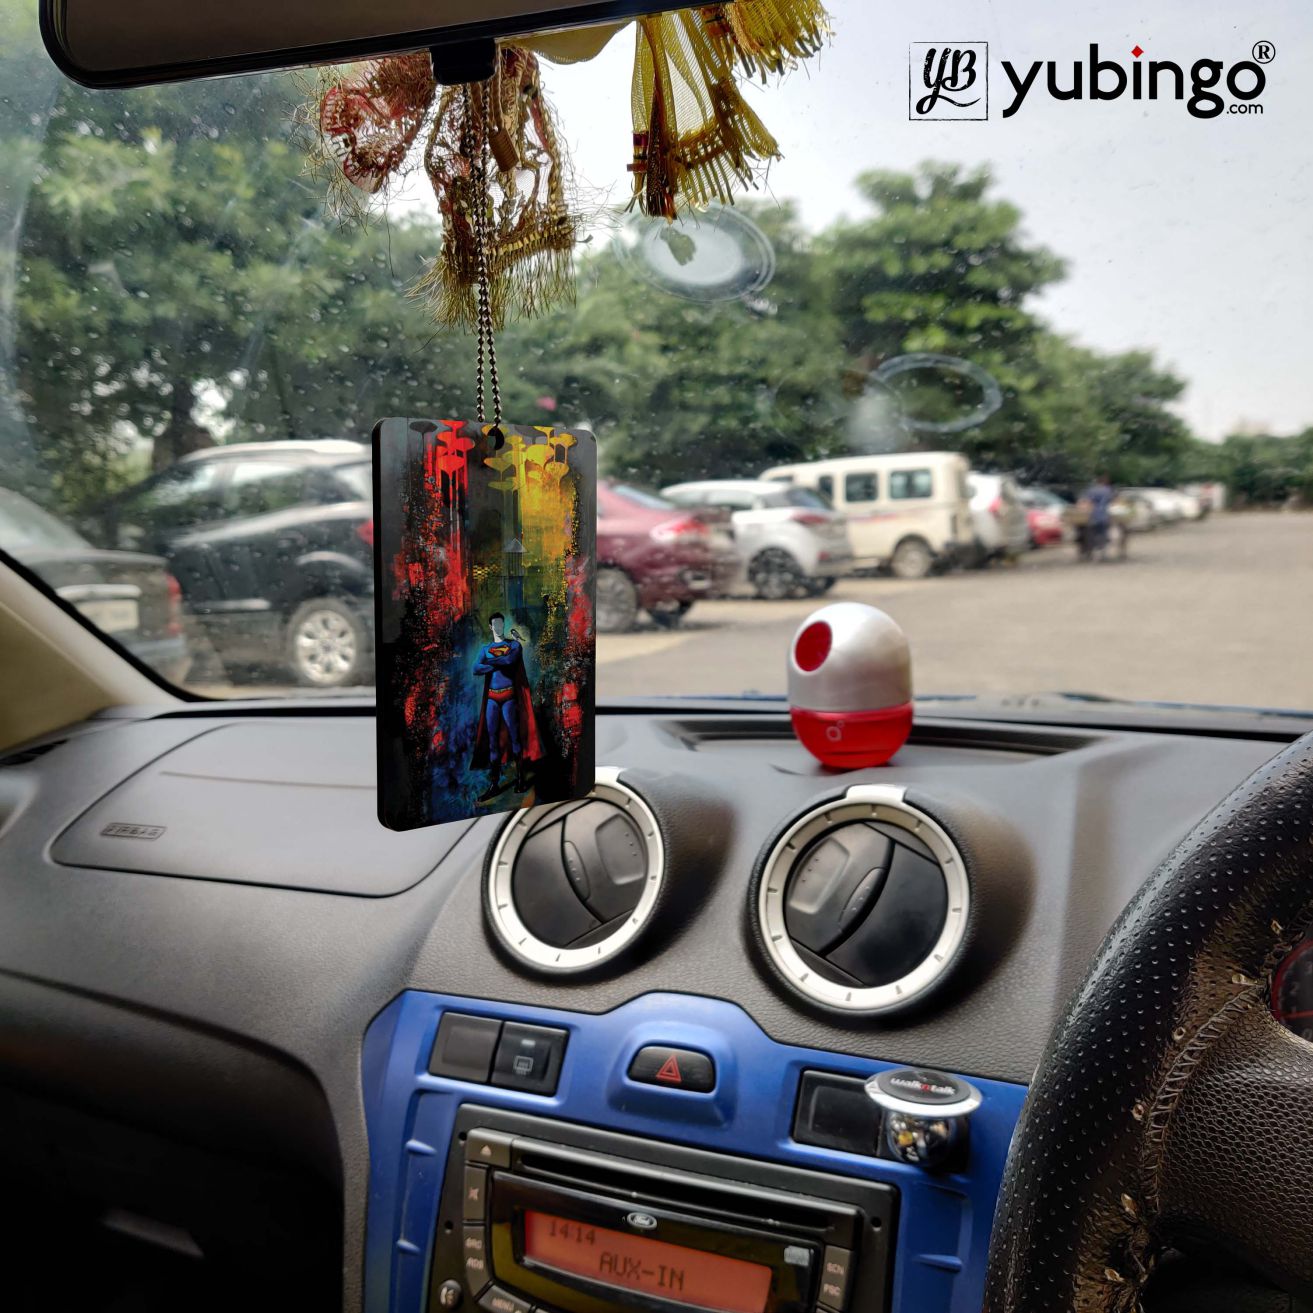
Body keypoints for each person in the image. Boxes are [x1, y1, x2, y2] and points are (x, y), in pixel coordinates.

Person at [470, 612, 542, 803]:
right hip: (492, 699)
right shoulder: (485, 648)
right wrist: (498, 663)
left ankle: (520, 779)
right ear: (490, 627)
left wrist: (489, 662)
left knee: (514, 737)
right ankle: (494, 784)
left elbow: (510, 661)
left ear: (504, 625)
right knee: (493, 741)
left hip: (509, 696)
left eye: (501, 623)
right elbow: (476, 669)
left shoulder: (514, 645)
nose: (499, 626)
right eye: (495, 624)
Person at [1079, 473, 1114, 560]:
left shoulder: (1092, 490)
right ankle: (1103, 554)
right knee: (1103, 534)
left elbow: (1086, 502)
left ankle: (1090, 553)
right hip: (1104, 515)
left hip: (1093, 515)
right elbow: (1111, 501)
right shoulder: (1108, 490)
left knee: (1092, 534)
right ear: (1106, 482)